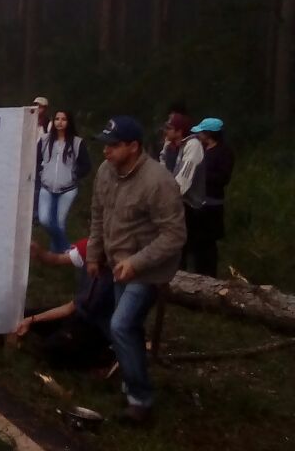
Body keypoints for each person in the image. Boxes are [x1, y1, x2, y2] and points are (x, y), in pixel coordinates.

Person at [88, 116, 185, 423]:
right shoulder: (105, 172)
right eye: (105, 145)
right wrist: (94, 254)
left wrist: (137, 262)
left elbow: (174, 235)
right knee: (125, 326)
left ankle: (141, 400)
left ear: (134, 147)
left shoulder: (158, 182)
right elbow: (98, 215)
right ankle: (131, 379)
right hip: (118, 264)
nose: (106, 152)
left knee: (120, 325)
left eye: (114, 146)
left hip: (150, 270)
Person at [16, 238, 116, 370]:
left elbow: (69, 308)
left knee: (51, 350)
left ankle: (101, 358)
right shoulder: (91, 246)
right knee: (21, 316)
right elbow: (56, 259)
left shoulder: (113, 267)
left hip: (98, 328)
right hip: (77, 314)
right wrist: (39, 253)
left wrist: (33, 320)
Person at [37, 110, 92, 253]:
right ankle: (66, 248)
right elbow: (36, 161)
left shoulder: (76, 142)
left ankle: (55, 255)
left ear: (69, 122)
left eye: (63, 119)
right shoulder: (44, 140)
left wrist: (74, 175)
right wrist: (40, 174)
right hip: (47, 187)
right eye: (57, 119)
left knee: (59, 223)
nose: (59, 122)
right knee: (44, 219)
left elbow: (86, 165)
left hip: (68, 188)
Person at [161, 112, 207, 273]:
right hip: (175, 203)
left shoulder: (193, 146)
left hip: (191, 206)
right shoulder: (171, 146)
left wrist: (163, 198)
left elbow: (184, 180)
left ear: (180, 131)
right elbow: (162, 171)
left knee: (189, 249)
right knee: (174, 247)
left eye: (169, 127)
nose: (165, 130)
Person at [187, 118, 232, 277]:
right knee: (197, 244)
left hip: (213, 206)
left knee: (209, 245)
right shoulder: (203, 150)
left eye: (201, 132)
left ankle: (210, 278)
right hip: (198, 204)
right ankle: (197, 277)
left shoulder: (224, 152)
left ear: (209, 134)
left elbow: (223, 178)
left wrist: (201, 176)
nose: (198, 135)